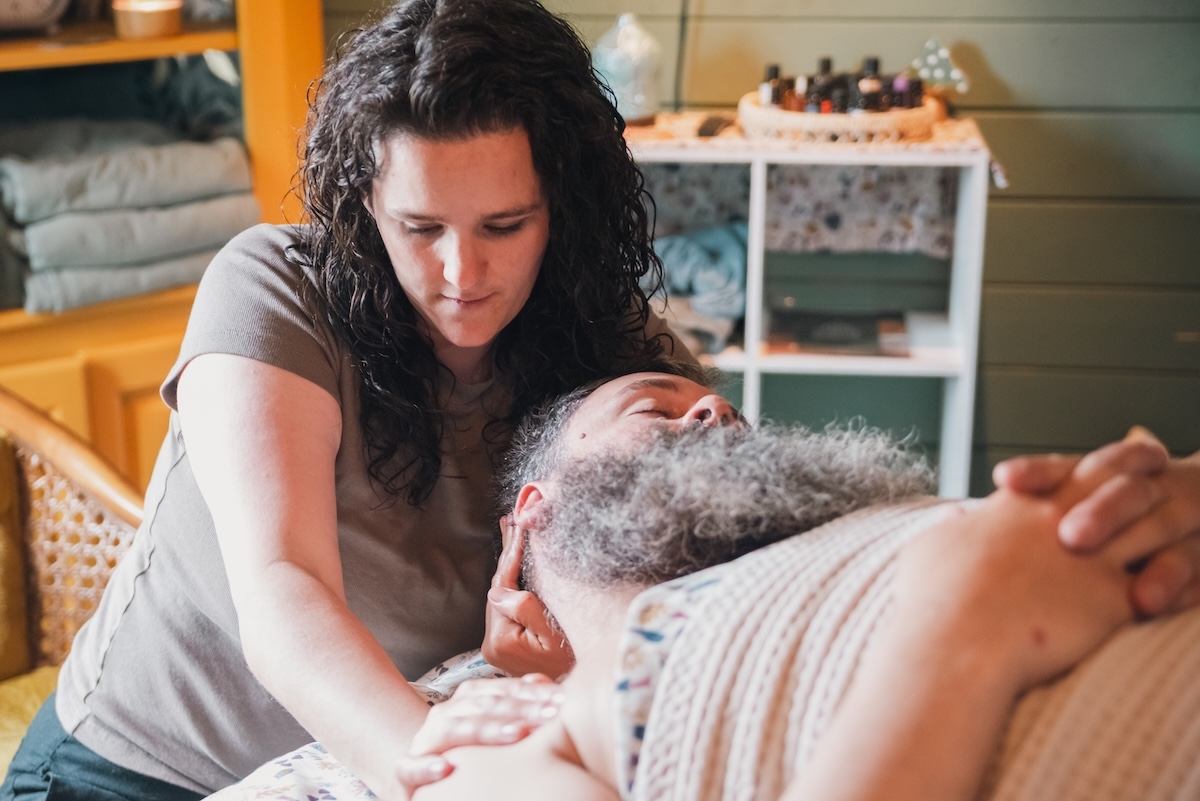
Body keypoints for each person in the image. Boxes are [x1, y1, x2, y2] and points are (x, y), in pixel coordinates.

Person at [0, 1, 695, 799]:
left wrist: (559, 657)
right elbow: (283, 585)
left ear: (560, 212)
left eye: (504, 225)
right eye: (421, 226)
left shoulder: (618, 351)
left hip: (350, 769)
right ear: (367, 205)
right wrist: (422, 754)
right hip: (134, 772)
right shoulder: (272, 290)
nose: (462, 276)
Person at [206, 366, 1200, 801]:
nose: (715, 405)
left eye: (728, 409)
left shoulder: (921, 528)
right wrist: (962, 632)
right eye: (654, 405)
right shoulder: (495, 737)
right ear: (527, 530)